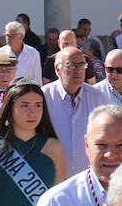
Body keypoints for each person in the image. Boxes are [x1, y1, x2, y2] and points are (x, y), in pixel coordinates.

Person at [43, 47, 108, 181]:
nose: (78, 70)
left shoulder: (98, 98)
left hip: (86, 182)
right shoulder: (43, 97)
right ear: (57, 69)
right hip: (51, 180)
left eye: (82, 65)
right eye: (71, 65)